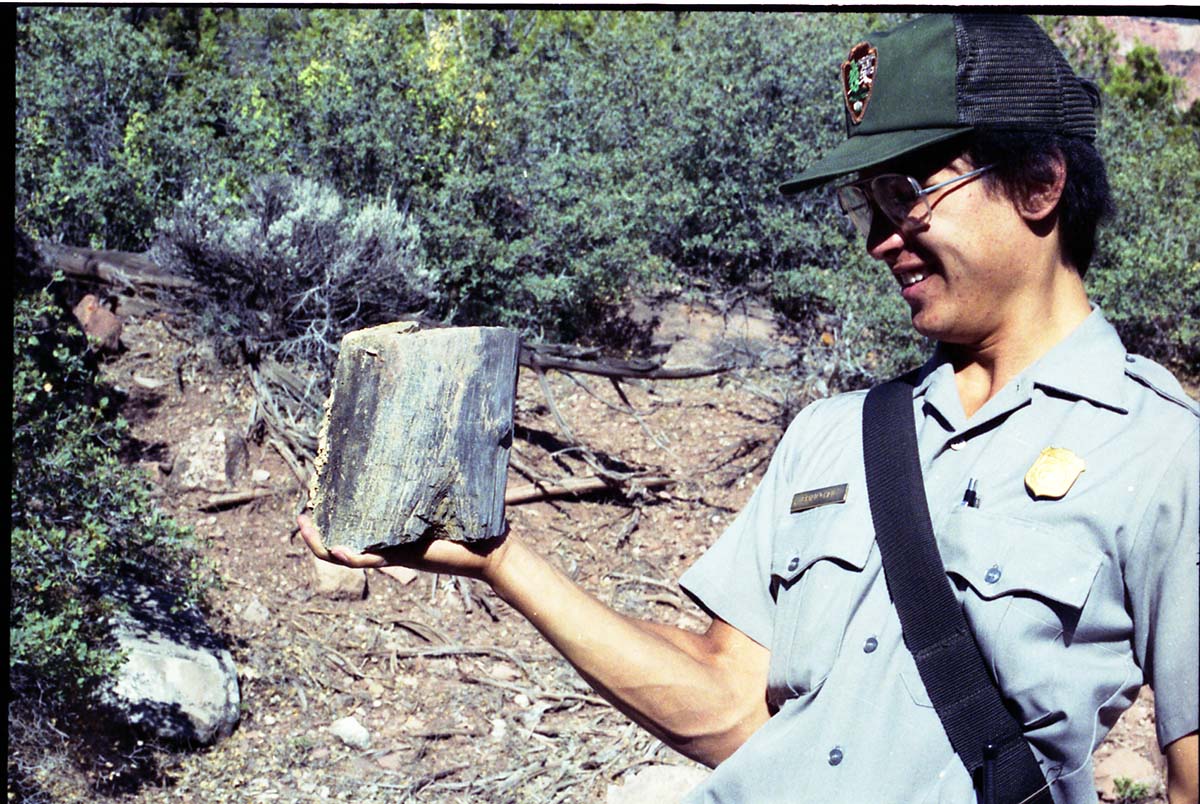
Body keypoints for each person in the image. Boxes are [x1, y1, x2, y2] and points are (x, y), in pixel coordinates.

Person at [300, 13, 1198, 804]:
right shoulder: (833, 436)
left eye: (910, 192)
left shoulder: (1163, 452)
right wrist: (503, 561)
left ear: (1041, 184)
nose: (883, 240)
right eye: (867, 204)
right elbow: (733, 702)